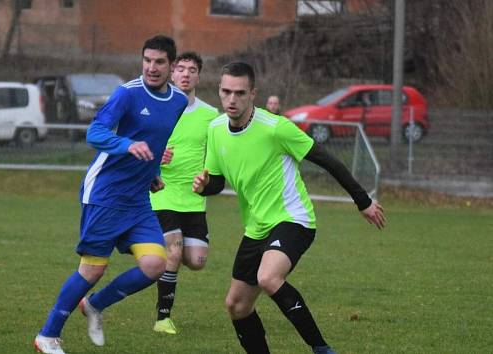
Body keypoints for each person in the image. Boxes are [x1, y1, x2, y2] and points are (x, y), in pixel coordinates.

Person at [192, 62, 385, 354]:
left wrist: (363, 201)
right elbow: (217, 182)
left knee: (268, 277)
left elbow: (327, 160)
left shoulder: (276, 127)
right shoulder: (216, 129)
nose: (232, 99)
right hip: (256, 227)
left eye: (240, 93)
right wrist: (204, 185)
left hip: (293, 219)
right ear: (219, 91)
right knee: (236, 305)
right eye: (226, 92)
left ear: (252, 94)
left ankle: (321, 349)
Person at [34, 35, 188, 354]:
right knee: (92, 269)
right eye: (147, 60)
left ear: (172, 66)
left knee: (155, 265)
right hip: (105, 192)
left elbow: (153, 140)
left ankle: (95, 305)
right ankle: (47, 336)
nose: (152, 67)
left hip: (137, 199)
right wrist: (127, 145)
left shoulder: (178, 102)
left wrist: (152, 174)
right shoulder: (127, 94)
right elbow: (95, 132)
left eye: (160, 62)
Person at [149, 51, 219, 335]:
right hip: (162, 191)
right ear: (172, 73)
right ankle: (162, 318)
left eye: (192, 69)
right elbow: (136, 145)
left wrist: (207, 179)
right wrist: (155, 156)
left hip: (193, 198)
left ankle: (151, 248)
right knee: (174, 252)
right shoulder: (157, 108)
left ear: (199, 76)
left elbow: (215, 161)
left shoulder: (211, 115)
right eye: (180, 69)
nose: (186, 74)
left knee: (197, 261)